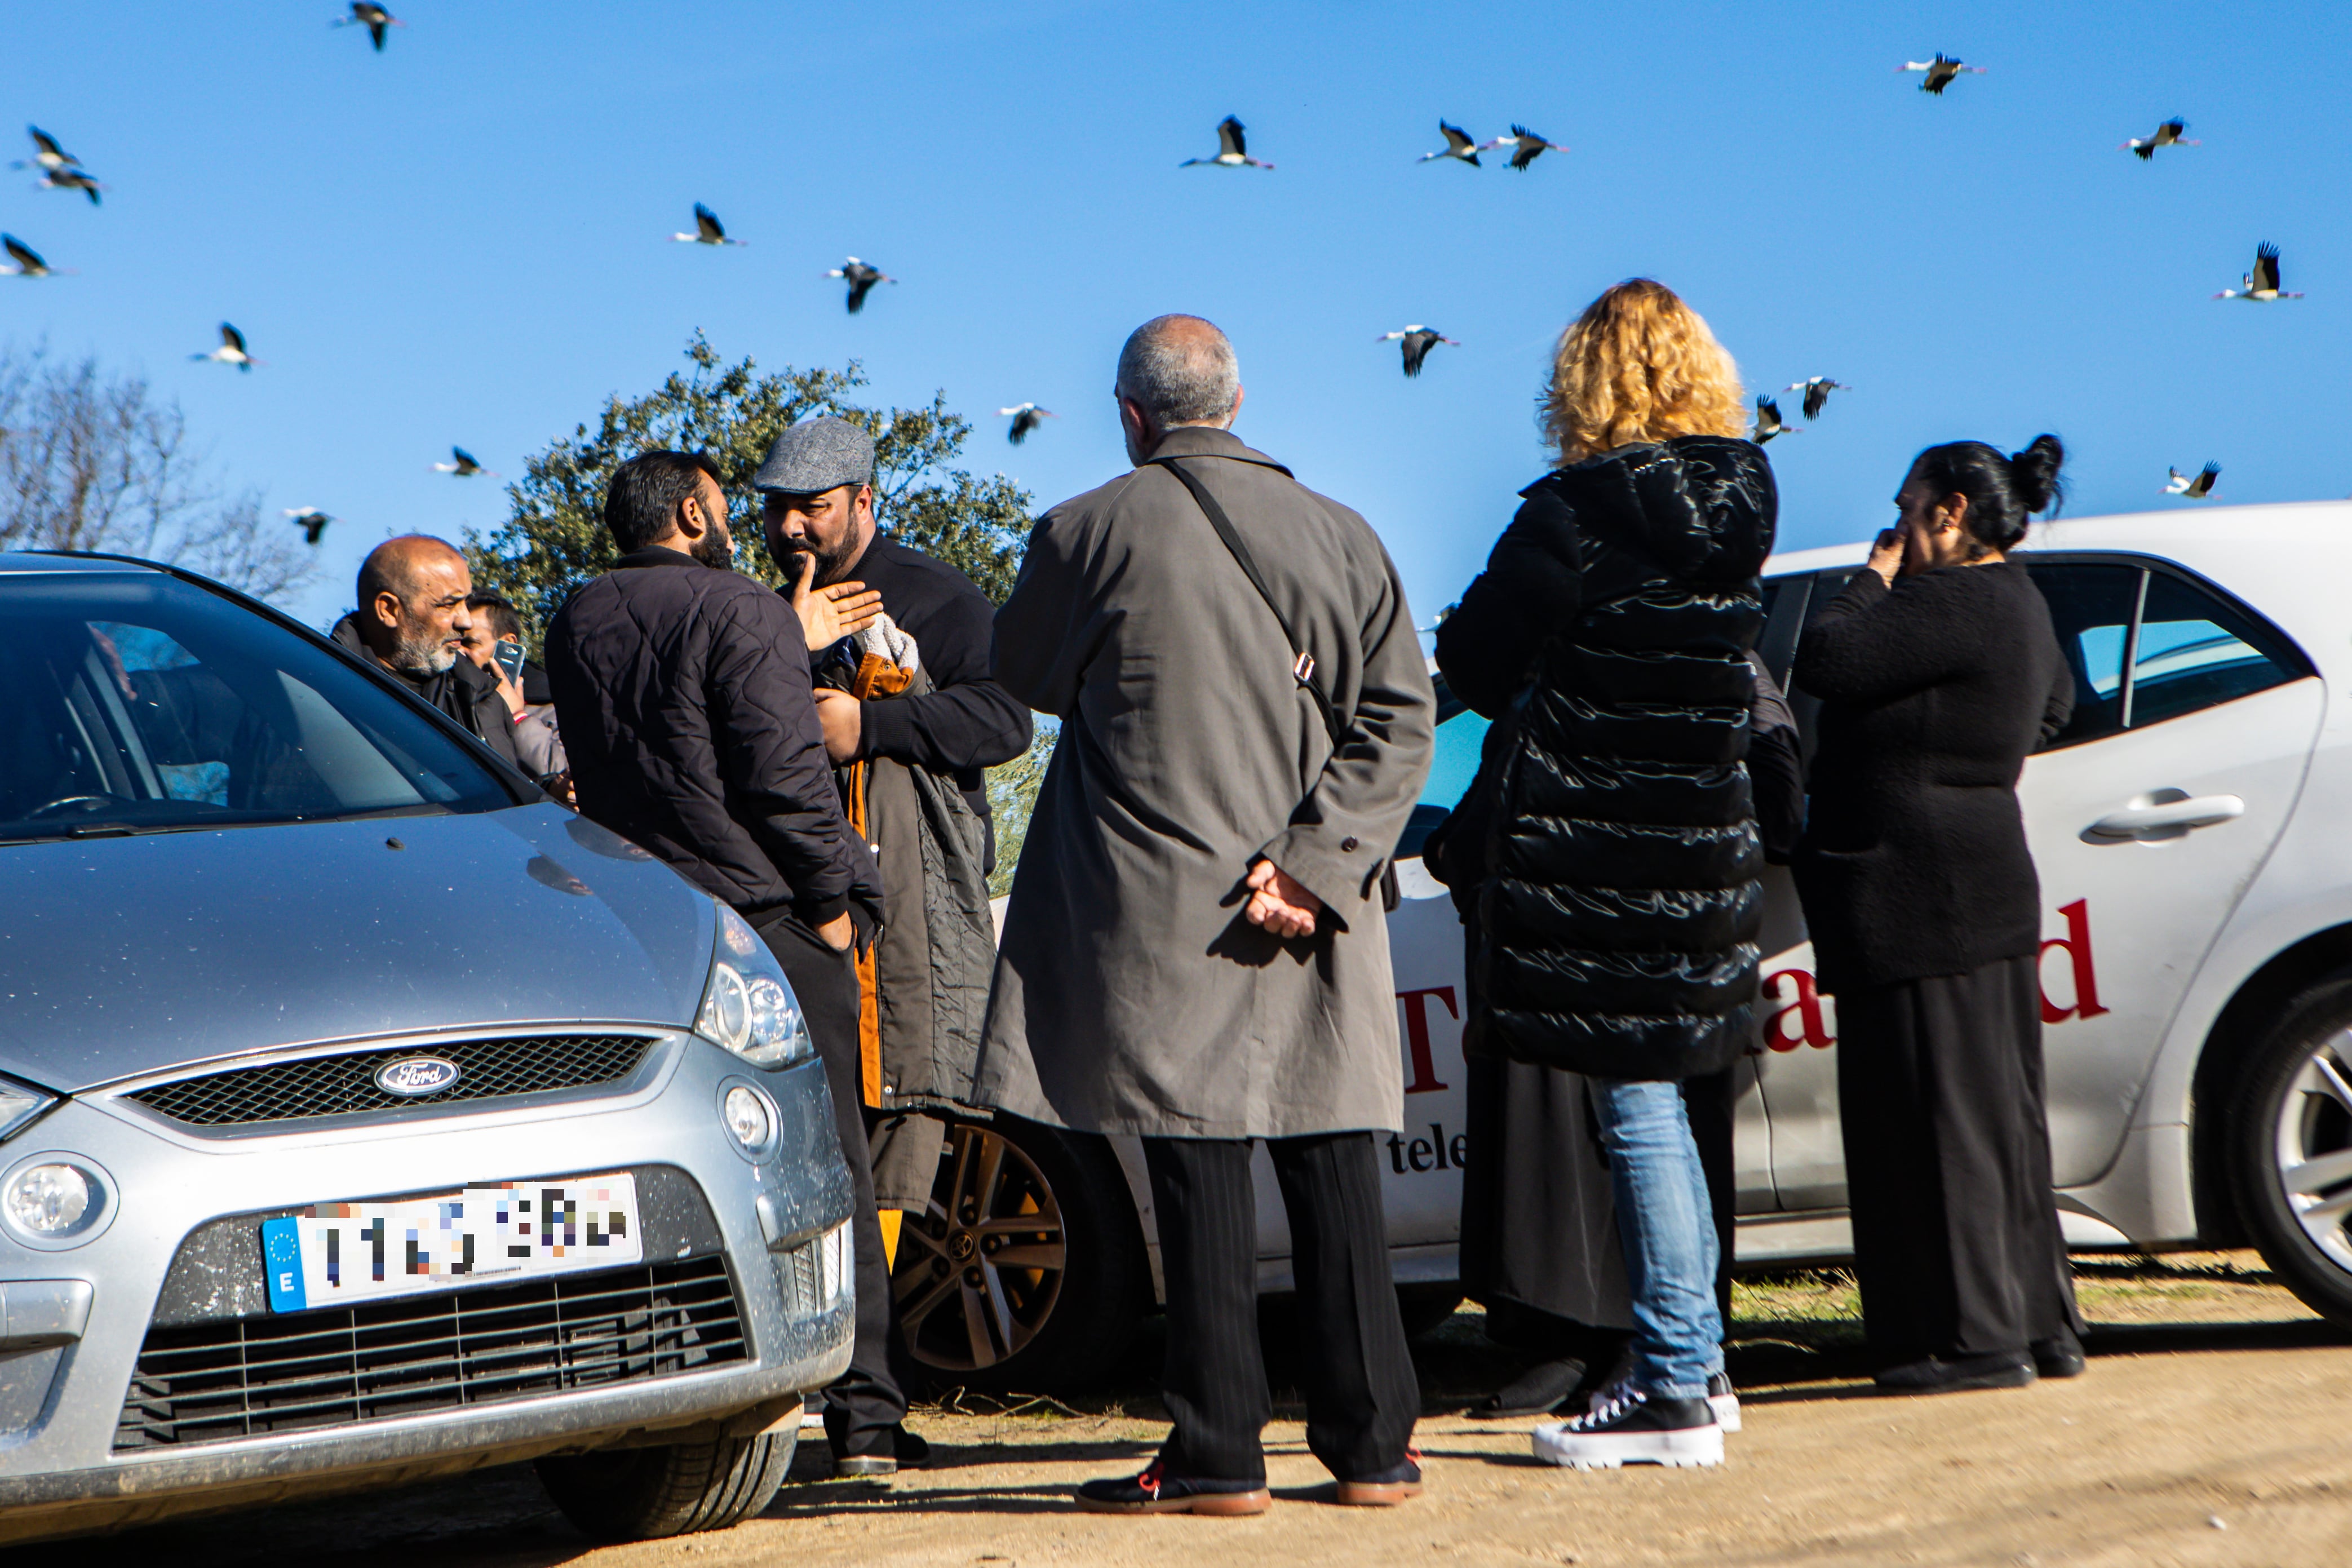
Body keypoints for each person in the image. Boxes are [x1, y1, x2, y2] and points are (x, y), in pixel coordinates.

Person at [974, 315, 1437, 1515]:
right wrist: (1314, 863)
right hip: (1317, 902)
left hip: (1166, 896)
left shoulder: (1086, 530)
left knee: (1200, 1167)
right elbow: (1400, 722)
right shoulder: (1345, 533)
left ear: (1132, 415)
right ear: (1236, 400)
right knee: (1331, 1151)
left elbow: (1020, 672)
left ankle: (1220, 1451)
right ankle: (1376, 1446)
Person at [1434, 278, 1773, 1470]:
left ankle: (1675, 1379)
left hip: (1592, 857)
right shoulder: (1744, 510)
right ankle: (1701, 1366)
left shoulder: (1569, 517)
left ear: (1583, 381)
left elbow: (1472, 657)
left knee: (1632, 1112)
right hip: (1700, 849)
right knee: (1668, 1105)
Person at [539, 450, 909, 1470]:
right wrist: (837, 903)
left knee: (678, 1171)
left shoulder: (577, 617)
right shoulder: (740, 608)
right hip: (770, 917)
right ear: (695, 512)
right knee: (832, 1158)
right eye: (724, 502)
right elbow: (787, 780)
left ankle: (705, 1403)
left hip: (646, 927)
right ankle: (866, 1416)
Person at [1790, 435, 2087, 1396]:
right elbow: (2053, 712)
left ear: (1948, 511)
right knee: (1998, 1118)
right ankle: (2037, 1325)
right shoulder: (2022, 605)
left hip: (1914, 889)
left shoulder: (1943, 597)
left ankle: (1970, 1341)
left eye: (1906, 508)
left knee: (1932, 1120)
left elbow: (1827, 654)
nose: (1896, 528)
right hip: (1984, 876)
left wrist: (1867, 578)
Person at [754, 419, 1033, 1238]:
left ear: (864, 499)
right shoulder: (769, 613)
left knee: (901, 1113)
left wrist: (869, 728)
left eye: (813, 507)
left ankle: (877, 1349)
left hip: (914, 905)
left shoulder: (937, 595)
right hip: (800, 903)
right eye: (775, 510)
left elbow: (1005, 719)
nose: (791, 528)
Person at [331, 536, 520, 767]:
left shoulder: (481, 696)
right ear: (389, 610)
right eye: (449, 605)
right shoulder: (321, 692)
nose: (466, 621)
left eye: (466, 603)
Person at [460, 592, 569, 792]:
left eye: (470, 644)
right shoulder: (449, 696)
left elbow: (566, 781)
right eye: (455, 642)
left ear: (508, 644)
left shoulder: (557, 704)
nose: (460, 652)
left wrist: (517, 718)